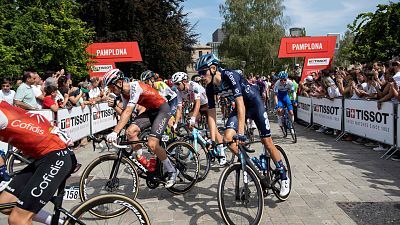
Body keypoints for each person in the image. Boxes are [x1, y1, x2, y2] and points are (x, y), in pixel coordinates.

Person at [196, 53, 290, 196]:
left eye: (203, 72)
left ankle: (284, 176)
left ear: (213, 68)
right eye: (199, 73)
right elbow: (212, 115)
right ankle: (251, 164)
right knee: (227, 139)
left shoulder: (229, 75)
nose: (201, 76)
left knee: (267, 141)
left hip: (254, 104)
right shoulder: (210, 88)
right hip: (241, 108)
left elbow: (240, 104)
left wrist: (240, 133)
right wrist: (212, 139)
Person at [0, 100, 76, 225]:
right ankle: (59, 222)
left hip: (57, 156)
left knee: (17, 220)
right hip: (45, 156)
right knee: (5, 203)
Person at [103, 69, 178, 187]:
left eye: (112, 87)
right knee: (130, 132)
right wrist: (114, 106)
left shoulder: (135, 87)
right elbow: (125, 114)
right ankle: (142, 161)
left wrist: (115, 132)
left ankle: (172, 170)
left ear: (120, 82)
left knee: (152, 144)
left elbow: (128, 112)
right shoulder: (124, 94)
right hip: (150, 112)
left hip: (162, 109)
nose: (111, 90)